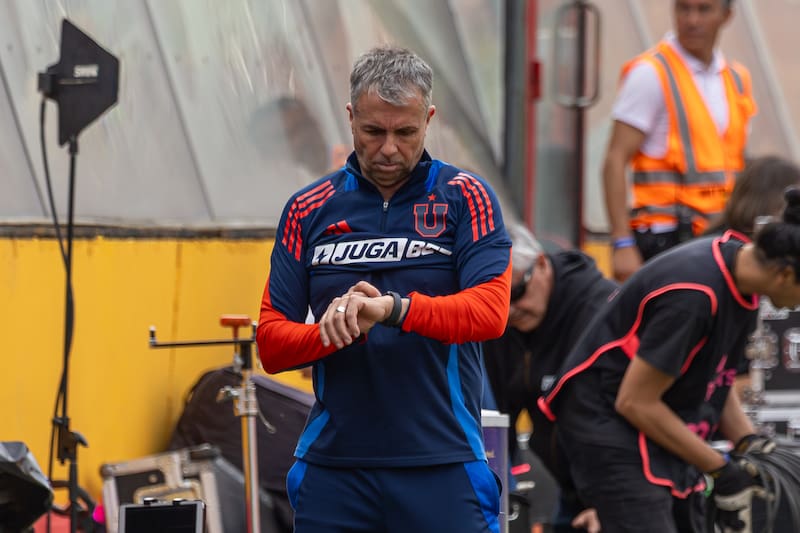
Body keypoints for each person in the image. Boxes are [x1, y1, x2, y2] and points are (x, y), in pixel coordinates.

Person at [256, 45, 512, 533]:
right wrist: (337, 329)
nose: (389, 148)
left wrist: (390, 310)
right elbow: (270, 343)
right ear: (350, 118)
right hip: (335, 472)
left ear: (428, 119)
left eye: (405, 132)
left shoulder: (467, 197)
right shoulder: (307, 209)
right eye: (373, 132)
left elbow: (489, 313)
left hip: (443, 464)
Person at [538, 188, 800, 533]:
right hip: (608, 422)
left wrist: (749, 442)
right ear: (784, 273)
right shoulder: (693, 297)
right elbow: (635, 401)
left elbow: (715, 381)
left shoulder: (741, 280)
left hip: (657, 421)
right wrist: (721, 468)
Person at [602, 0, 757, 282]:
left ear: (726, 15)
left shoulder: (736, 79)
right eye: (683, 8)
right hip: (665, 238)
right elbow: (614, 160)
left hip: (718, 234)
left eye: (703, 9)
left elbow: (735, 160)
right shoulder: (651, 73)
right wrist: (622, 243)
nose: (692, 20)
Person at [483, 223, 615, 533]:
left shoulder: (601, 311)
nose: (511, 311)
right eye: (499, 304)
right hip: (567, 487)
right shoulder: (503, 325)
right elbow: (497, 418)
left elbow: (618, 418)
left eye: (516, 293)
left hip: (615, 487)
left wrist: (609, 498)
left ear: (541, 263)